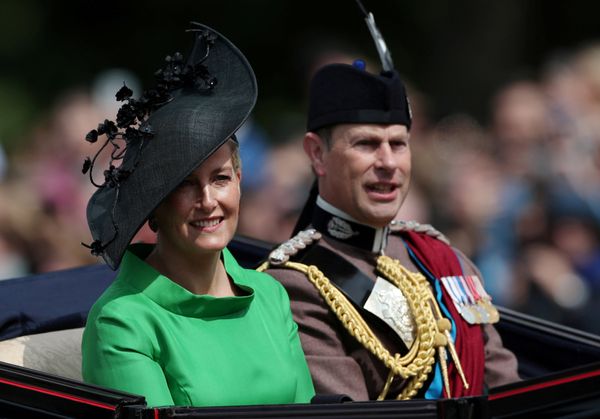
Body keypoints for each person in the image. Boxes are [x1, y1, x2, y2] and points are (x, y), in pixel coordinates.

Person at [81, 24, 314, 407]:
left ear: (239, 181)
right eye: (185, 185)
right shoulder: (123, 321)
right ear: (153, 204)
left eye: (220, 178)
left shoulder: (271, 295)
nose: (207, 200)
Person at [261, 59, 520, 400]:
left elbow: (507, 388)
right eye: (366, 144)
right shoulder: (296, 284)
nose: (388, 163)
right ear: (317, 154)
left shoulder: (442, 258)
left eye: (399, 144)